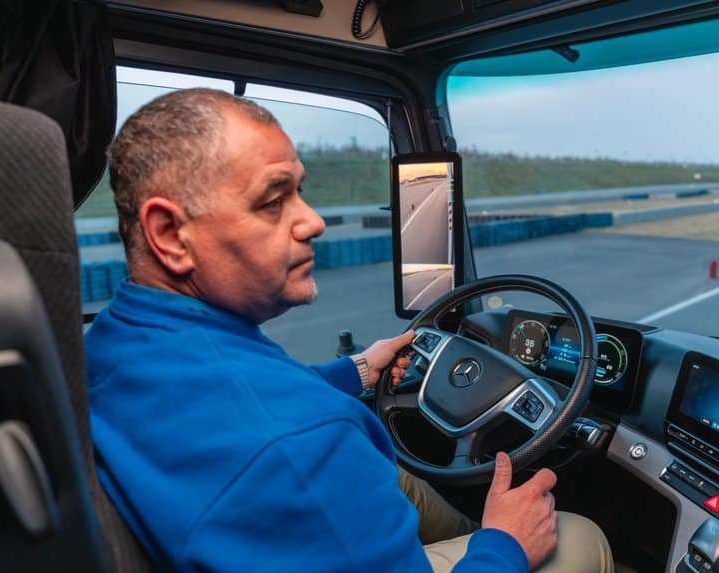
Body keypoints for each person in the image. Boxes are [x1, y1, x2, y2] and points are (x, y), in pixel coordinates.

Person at [86, 88, 613, 573]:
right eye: (274, 201)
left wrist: (357, 371)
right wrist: (505, 544)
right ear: (169, 235)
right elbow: (283, 432)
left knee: (400, 478)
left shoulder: (118, 337)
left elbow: (231, 403)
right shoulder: (300, 447)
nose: (312, 221)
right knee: (578, 535)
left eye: (300, 193)